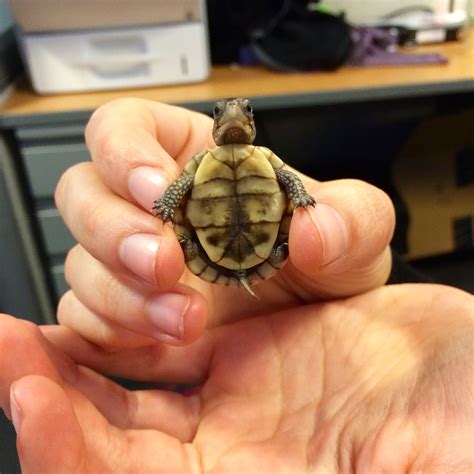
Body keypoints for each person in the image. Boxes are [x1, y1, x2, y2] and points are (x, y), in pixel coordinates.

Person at [0, 99, 472, 472]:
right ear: (214, 124)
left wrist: (305, 199)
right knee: (159, 248)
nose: (233, 118)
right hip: (241, 256)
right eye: (223, 113)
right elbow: (176, 192)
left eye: (243, 111)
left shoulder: (267, 160)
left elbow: (288, 183)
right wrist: (158, 210)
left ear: (251, 122)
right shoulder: (199, 165)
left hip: (253, 259)